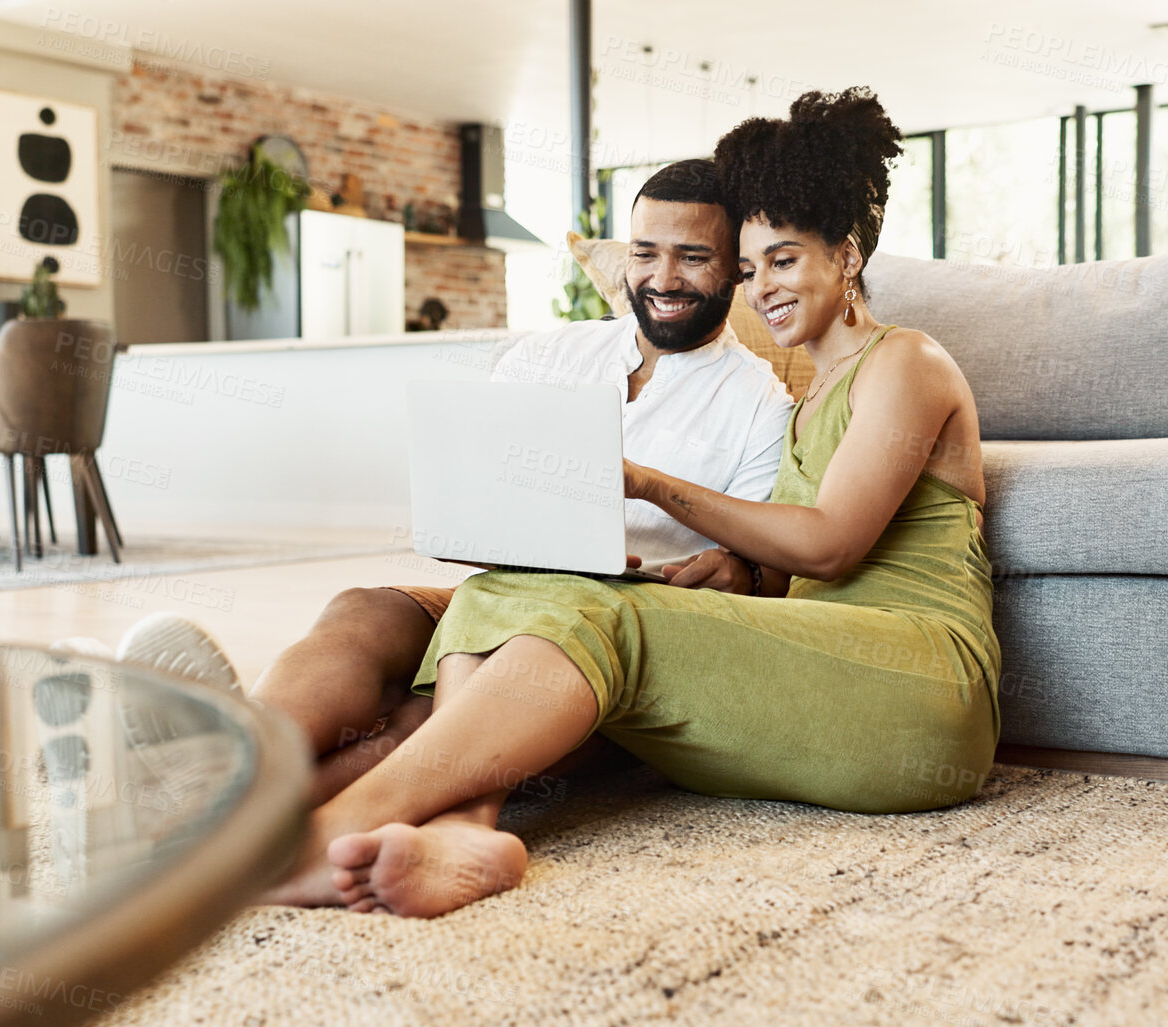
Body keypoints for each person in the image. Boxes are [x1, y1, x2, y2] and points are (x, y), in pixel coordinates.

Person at [258, 87, 1001, 917]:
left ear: (848, 256)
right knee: (503, 587)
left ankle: (325, 833)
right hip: (828, 655)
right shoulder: (810, 392)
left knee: (598, 608)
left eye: (782, 261)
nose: (761, 290)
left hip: (917, 680)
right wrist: (737, 571)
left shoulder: (906, 361)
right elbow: (794, 571)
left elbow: (831, 546)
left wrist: (648, 482)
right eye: (752, 269)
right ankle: (464, 827)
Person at [72, 159, 796, 809]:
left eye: (692, 257)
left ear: (735, 268)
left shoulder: (760, 403)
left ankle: (202, 800)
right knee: (363, 609)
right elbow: (476, 482)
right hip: (500, 592)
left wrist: (737, 571)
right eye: (645, 252)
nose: (663, 279)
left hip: (610, 634)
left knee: (422, 722)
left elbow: (767, 563)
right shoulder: (552, 355)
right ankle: (234, 744)